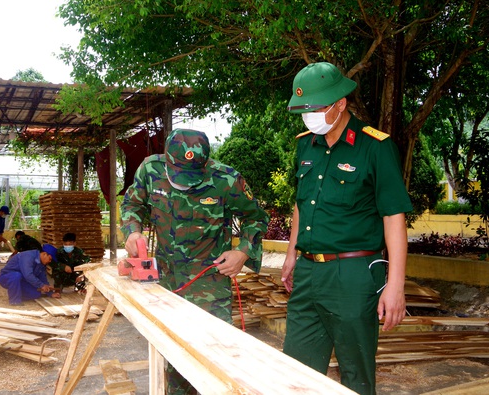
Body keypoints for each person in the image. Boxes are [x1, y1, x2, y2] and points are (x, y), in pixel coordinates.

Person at [280, 62, 413, 395]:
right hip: (308, 273)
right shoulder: (304, 145)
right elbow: (301, 203)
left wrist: (396, 284)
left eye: (316, 108)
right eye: (304, 110)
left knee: (356, 379)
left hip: (352, 277)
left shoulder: (375, 147)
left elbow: (394, 217)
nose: (309, 116)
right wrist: (291, 254)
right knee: (294, 374)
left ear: (340, 103)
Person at [121, 128, 269, 395]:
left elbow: (257, 217)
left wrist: (243, 252)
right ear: (167, 160)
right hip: (166, 282)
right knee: (173, 355)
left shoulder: (225, 179)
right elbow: (133, 204)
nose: (185, 185)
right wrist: (133, 230)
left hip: (210, 283)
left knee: (216, 359)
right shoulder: (150, 170)